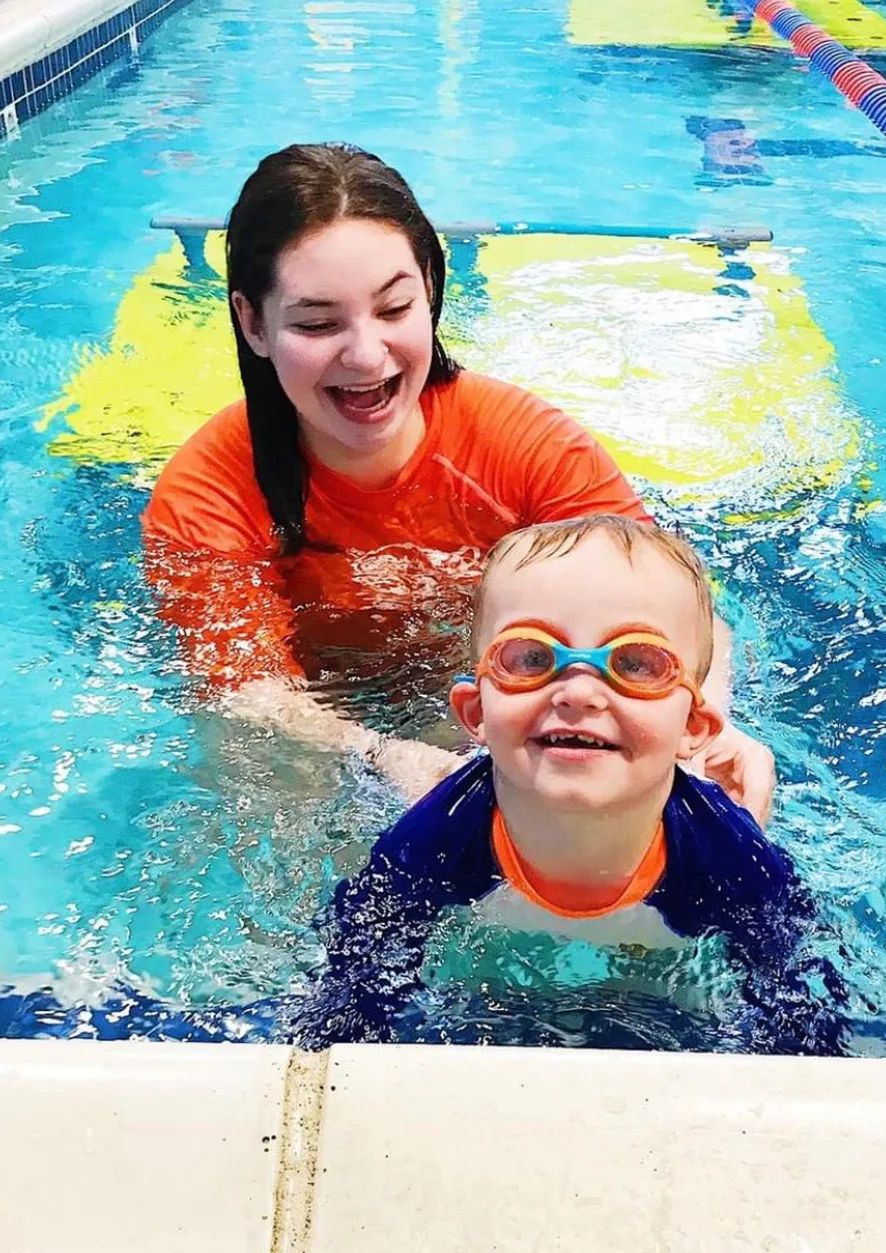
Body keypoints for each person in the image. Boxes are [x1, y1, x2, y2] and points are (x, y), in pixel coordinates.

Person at [141, 142, 776, 821]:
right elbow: (246, 695)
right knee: (269, 787)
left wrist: (706, 727)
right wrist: (379, 756)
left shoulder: (524, 448)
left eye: (394, 309)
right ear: (252, 322)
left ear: (432, 292)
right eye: (318, 323)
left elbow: (681, 613)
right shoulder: (208, 496)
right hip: (327, 731)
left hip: (481, 697)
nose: (367, 356)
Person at [299, 515, 845, 1053]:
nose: (578, 693)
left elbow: (801, 1001)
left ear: (693, 728)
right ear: (476, 713)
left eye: (637, 663)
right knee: (411, 774)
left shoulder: (728, 857)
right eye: (532, 657)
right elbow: (349, 983)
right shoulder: (432, 841)